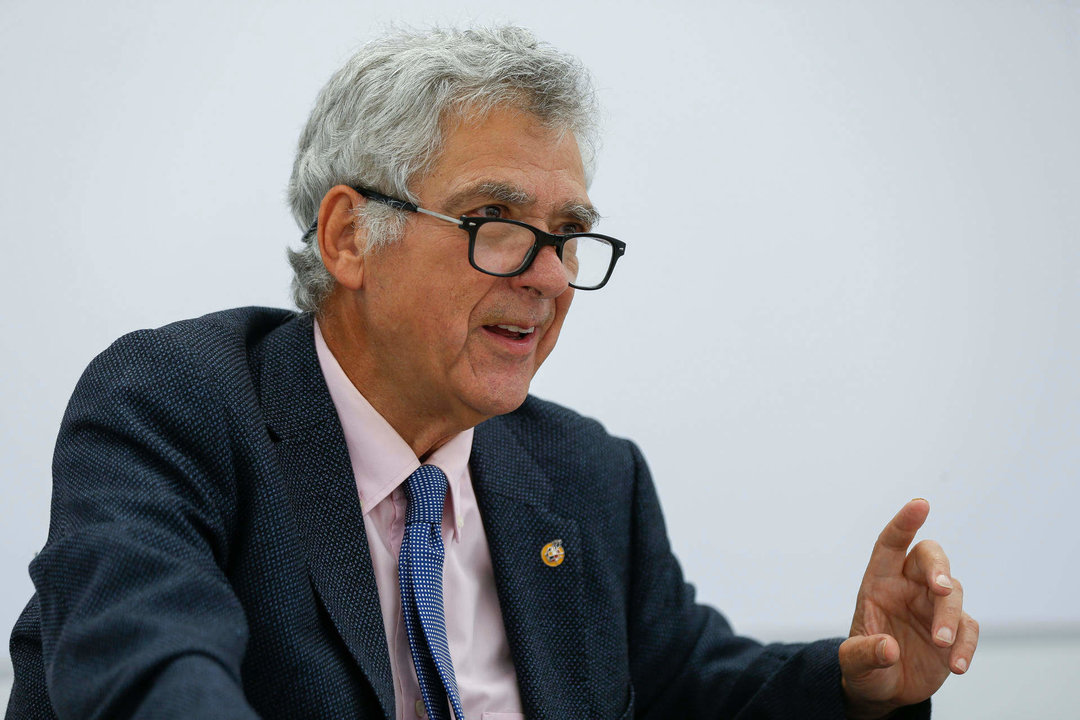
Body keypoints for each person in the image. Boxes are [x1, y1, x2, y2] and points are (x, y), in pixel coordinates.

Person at [6, 26, 977, 720]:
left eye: (569, 237)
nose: (551, 278)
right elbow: (149, 675)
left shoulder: (588, 476)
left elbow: (690, 688)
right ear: (349, 235)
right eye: (496, 225)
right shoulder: (176, 407)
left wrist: (863, 683)